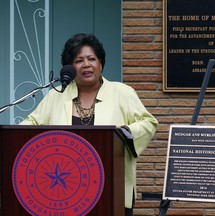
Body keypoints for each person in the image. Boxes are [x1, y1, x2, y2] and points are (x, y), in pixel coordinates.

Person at [20, 33, 158, 216]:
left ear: (100, 63)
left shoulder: (123, 93)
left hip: (111, 185)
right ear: (70, 67)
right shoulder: (56, 95)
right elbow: (32, 122)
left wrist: (123, 134)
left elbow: (148, 122)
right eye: (79, 61)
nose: (86, 65)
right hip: (65, 189)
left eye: (91, 59)